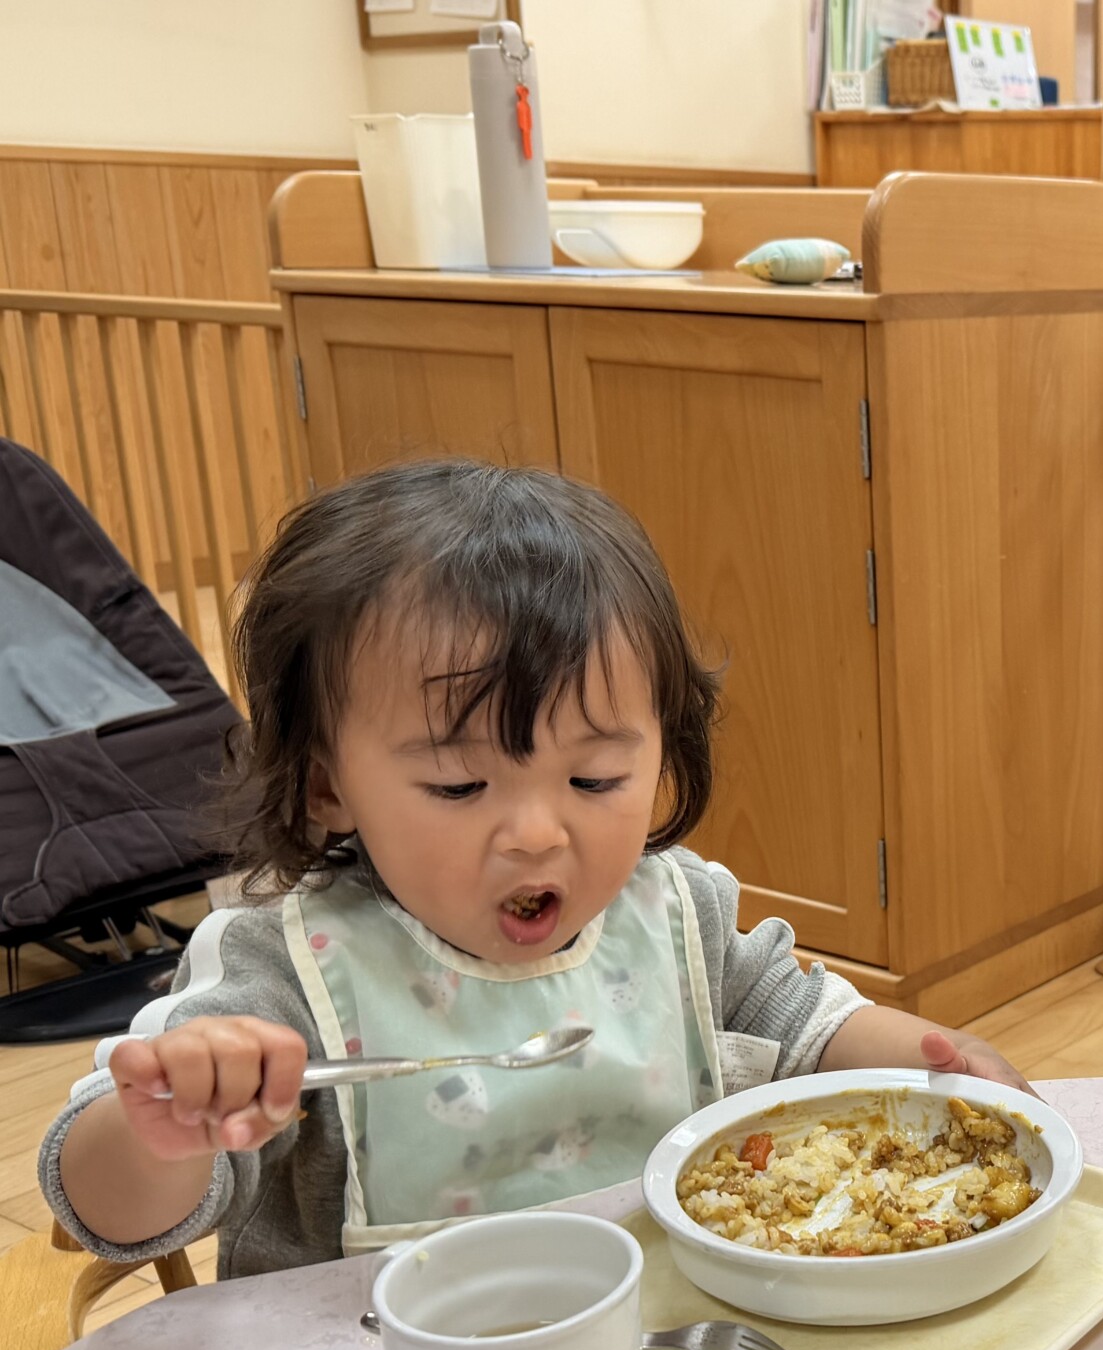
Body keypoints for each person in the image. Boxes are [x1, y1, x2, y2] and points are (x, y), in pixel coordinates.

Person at [44, 461, 1029, 1279]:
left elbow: (800, 1023)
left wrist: (936, 1061)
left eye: (594, 778)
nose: (535, 833)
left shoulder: (671, 910)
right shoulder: (282, 975)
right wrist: (162, 1129)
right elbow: (108, 1214)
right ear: (326, 786)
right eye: (458, 786)